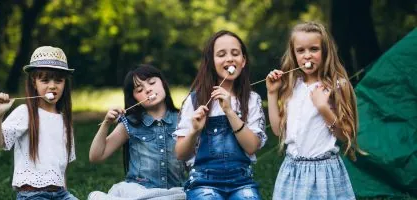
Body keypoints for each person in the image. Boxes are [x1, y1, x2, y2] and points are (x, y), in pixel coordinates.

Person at [266, 21, 361, 199]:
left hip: (323, 171)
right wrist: (272, 93)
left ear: (325, 51)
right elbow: (279, 130)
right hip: (292, 169)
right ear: (293, 54)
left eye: (314, 49)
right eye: (300, 50)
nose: (307, 56)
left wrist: (323, 107)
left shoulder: (337, 86)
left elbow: (347, 134)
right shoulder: (291, 86)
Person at [174, 30, 267, 199]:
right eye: (221, 54)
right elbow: (181, 154)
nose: (230, 58)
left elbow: (252, 146)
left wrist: (230, 112)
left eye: (235, 53)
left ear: (243, 61)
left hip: (242, 181)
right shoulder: (195, 101)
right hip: (203, 181)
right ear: (211, 62)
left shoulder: (252, 100)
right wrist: (194, 130)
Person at [0, 46, 78, 199]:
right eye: (44, 80)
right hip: (31, 194)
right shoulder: (25, 112)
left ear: (65, 83)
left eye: (59, 80)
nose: (52, 86)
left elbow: (61, 168)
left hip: (60, 194)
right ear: (34, 82)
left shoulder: (64, 120)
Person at [88, 64, 186, 200]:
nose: (148, 89)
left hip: (175, 192)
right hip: (138, 192)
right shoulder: (131, 123)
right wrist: (106, 123)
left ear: (163, 83)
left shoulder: (183, 119)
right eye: (139, 90)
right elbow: (96, 156)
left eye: (152, 82)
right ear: (134, 99)